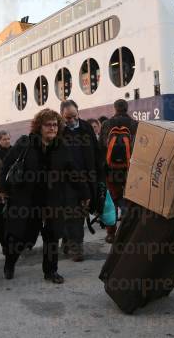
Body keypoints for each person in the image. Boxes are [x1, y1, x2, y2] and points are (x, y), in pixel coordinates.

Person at [0, 109, 90, 283]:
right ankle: (10, 263)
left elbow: (73, 172)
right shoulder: (25, 143)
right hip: (28, 200)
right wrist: (3, 189)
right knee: (21, 236)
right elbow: (7, 165)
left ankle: (50, 271)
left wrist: (84, 192)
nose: (52, 128)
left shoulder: (61, 147)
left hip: (53, 200)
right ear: (39, 126)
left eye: (55, 125)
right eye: (48, 125)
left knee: (52, 236)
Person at [60, 100, 104, 262]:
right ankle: (76, 248)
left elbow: (96, 151)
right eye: (67, 118)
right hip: (67, 181)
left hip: (87, 178)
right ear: (61, 116)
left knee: (81, 212)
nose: (71, 120)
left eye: (74, 116)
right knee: (74, 214)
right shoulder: (59, 131)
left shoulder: (86, 127)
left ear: (78, 113)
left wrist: (100, 176)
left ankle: (67, 240)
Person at [99, 99, 138, 243]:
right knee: (130, 202)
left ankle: (111, 234)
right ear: (127, 108)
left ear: (114, 108)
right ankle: (128, 233)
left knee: (112, 203)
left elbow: (101, 148)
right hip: (130, 171)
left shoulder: (106, 124)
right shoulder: (135, 125)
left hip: (111, 172)